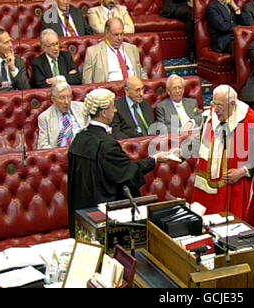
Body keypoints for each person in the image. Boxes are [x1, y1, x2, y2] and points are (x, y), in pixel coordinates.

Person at [67, 88, 174, 238]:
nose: (116, 110)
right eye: (112, 107)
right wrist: (155, 159)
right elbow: (128, 172)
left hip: (82, 216)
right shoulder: (106, 145)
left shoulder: (79, 139)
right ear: (104, 112)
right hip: (104, 218)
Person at [193, 85, 254, 233]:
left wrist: (242, 172)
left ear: (232, 104)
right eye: (214, 103)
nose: (216, 109)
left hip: (237, 187)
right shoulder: (210, 117)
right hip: (209, 186)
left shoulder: (248, 120)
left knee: (235, 230)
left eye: (220, 105)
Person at [82, 17, 146, 84]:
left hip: (133, 91)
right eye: (116, 35)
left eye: (121, 34)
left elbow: (141, 74)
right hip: (107, 92)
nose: (119, 38)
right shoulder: (93, 52)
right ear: (106, 33)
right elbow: (87, 82)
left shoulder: (132, 49)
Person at [37, 80, 88, 149]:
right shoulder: (44, 117)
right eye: (62, 98)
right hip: (61, 154)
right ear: (53, 99)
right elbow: (42, 146)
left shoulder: (82, 107)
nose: (66, 102)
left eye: (69, 97)